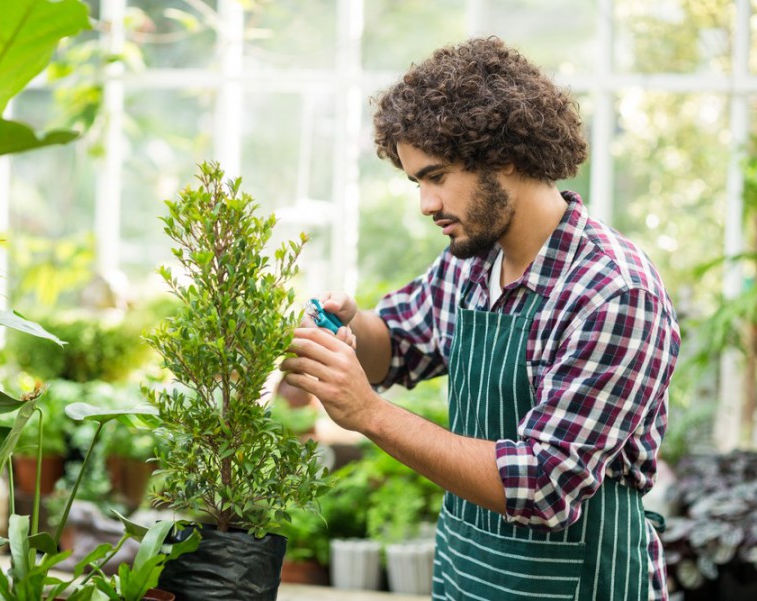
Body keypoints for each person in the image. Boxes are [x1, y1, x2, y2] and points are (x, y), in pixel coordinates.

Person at [281, 37, 681, 601]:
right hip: (468, 576)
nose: (425, 204)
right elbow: (397, 343)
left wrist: (368, 413)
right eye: (417, 181)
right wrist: (349, 330)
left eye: (437, 176)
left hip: (577, 583)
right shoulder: (474, 258)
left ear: (506, 155)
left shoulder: (614, 292)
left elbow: (542, 484)